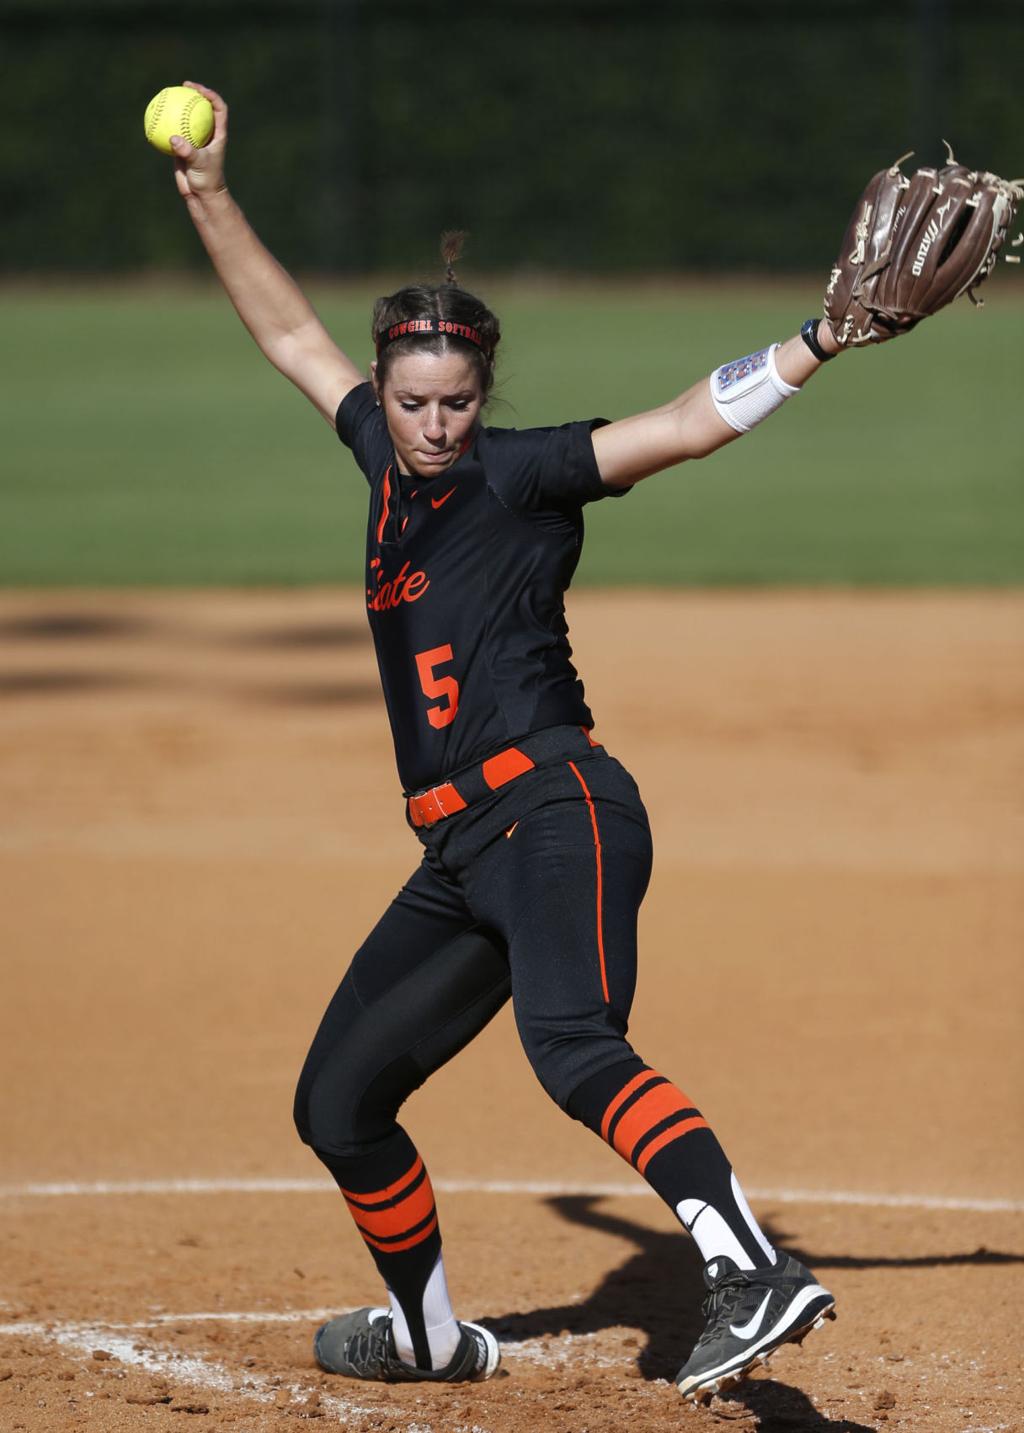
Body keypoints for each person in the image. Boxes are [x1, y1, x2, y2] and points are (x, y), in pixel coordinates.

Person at [168, 81, 842, 1405]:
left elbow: (684, 425)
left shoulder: (517, 475)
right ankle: (426, 1333)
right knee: (339, 1104)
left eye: (456, 402)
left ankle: (749, 1264)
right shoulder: (377, 453)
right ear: (387, 393)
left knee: (576, 1045)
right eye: (414, 401)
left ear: (482, 395)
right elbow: (291, 331)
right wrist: (205, 193)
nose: (433, 425)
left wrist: (821, 339)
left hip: (558, 808)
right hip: (459, 854)